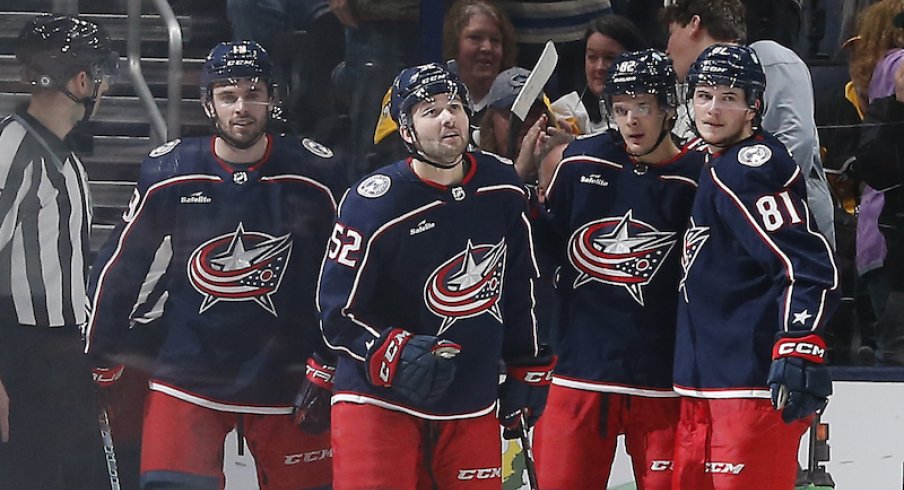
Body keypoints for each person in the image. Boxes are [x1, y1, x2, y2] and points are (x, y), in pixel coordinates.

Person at [85, 40, 342, 489]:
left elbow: (345, 277)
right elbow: (122, 266)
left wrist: (328, 361)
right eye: (227, 95)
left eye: (253, 93)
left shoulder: (315, 176)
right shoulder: (171, 172)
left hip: (287, 377)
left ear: (273, 98)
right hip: (188, 375)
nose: (241, 107)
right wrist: (99, 350)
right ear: (208, 103)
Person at [317, 62, 554, 489]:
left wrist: (528, 365)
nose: (448, 118)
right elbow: (336, 312)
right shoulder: (373, 203)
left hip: (471, 397)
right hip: (378, 400)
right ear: (406, 131)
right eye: (430, 110)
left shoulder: (502, 188)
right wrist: (387, 349)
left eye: (455, 106)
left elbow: (522, 288)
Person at [531, 49, 705, 489]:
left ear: (669, 106)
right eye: (621, 108)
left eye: (643, 107)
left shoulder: (698, 177)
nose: (631, 120)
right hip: (576, 372)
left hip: (661, 380)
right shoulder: (581, 161)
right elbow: (544, 251)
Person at [672, 44, 839, 489]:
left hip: (746, 390)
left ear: (754, 106)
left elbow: (806, 265)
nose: (713, 108)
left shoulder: (750, 168)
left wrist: (800, 343)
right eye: (704, 95)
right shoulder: (712, 161)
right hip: (704, 386)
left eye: (729, 97)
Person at [0, 13, 117, 490]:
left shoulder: (63, 154)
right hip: (22, 356)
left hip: (61, 355)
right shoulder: (12, 150)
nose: (105, 88)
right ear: (83, 79)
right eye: (102, 76)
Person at [661, 0, 837, 248]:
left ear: (694, 24)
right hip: (723, 239)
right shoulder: (689, 97)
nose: (667, 48)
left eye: (671, 33)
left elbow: (797, 143)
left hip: (785, 236)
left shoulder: (766, 57)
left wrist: (736, 200)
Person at [848, 0, 904, 365]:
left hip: (876, 238)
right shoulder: (898, 67)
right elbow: (880, 161)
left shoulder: (886, 67)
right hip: (891, 245)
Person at [444, 0, 518, 115]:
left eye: (495, 40)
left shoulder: (516, 106)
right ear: (455, 43)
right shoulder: (441, 105)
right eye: (475, 38)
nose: (487, 48)